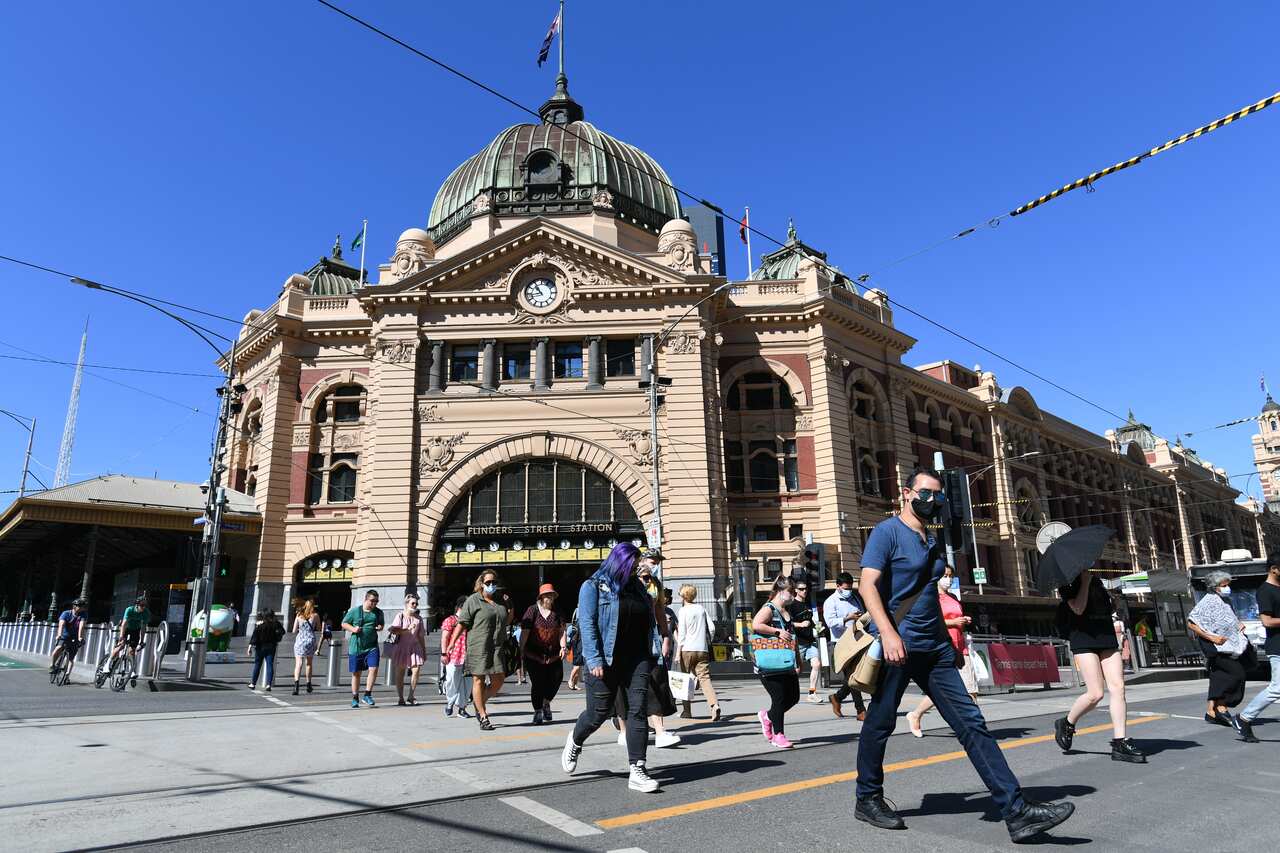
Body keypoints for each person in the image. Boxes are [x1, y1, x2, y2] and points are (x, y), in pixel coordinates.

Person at [854, 467, 1074, 842]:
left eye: (938, 495)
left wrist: (950, 645)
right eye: (925, 493)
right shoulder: (886, 532)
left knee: (972, 724)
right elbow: (867, 586)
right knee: (880, 722)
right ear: (906, 494)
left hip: (935, 649)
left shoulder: (932, 540)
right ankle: (867, 798)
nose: (932, 500)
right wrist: (889, 633)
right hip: (899, 646)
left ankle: (1016, 812)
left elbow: (929, 598)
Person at [561, 542, 663, 793]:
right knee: (598, 714)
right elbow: (587, 623)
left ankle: (637, 769)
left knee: (638, 711)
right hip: (605, 660)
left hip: (637, 659)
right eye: (632, 566)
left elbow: (649, 621)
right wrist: (593, 659)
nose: (635, 571)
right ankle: (575, 740)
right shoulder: (593, 586)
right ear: (619, 562)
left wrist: (656, 651)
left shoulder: (638, 587)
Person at [905, 570, 986, 738]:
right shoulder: (931, 597)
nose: (948, 579)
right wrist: (953, 622)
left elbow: (957, 619)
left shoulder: (953, 598)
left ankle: (974, 727)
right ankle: (917, 714)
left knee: (970, 690)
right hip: (943, 646)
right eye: (945, 576)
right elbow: (932, 620)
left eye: (950, 576)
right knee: (944, 689)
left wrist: (964, 620)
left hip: (960, 646)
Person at [1186, 570, 1250, 735]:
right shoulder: (1207, 602)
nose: (1227, 588)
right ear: (1215, 587)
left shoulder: (1224, 600)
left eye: (1227, 584)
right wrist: (1211, 637)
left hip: (1228, 645)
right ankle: (1221, 707)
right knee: (1236, 674)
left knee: (1218, 676)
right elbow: (1192, 622)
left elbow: (1228, 619)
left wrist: (1238, 625)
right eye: (1224, 585)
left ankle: (1211, 712)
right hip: (1215, 646)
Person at [450, 569, 510, 731]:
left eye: (494, 583)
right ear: (481, 584)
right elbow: (462, 622)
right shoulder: (473, 600)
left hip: (497, 646)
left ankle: (479, 703)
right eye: (488, 583)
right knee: (479, 680)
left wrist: (509, 605)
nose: (491, 585)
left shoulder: (500, 601)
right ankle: (483, 716)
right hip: (479, 646)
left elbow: (508, 619)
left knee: (499, 680)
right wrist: (452, 642)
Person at [753, 575, 801, 749]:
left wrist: (798, 660)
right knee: (779, 698)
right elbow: (756, 624)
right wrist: (777, 631)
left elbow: (792, 638)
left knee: (794, 697)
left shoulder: (786, 612)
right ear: (780, 592)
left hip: (787, 661)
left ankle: (767, 717)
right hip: (769, 663)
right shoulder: (769, 608)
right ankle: (778, 735)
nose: (793, 595)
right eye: (791, 591)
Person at [1237, 555, 1280, 742]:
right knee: (1277, 689)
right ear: (1274, 569)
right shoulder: (1265, 591)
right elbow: (1267, 621)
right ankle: (1244, 718)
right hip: (1277, 646)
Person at [823, 571, 867, 720]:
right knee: (852, 675)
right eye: (846, 588)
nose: (849, 591)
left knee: (856, 675)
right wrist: (847, 618)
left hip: (856, 640)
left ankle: (837, 697)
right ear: (838, 586)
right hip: (840, 642)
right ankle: (860, 710)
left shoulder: (855, 598)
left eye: (850, 588)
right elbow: (830, 622)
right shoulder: (831, 601)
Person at [521, 583, 567, 724]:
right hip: (534, 654)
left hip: (553, 654)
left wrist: (563, 646)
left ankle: (546, 702)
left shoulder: (558, 611)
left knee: (557, 678)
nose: (550, 598)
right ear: (541, 597)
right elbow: (525, 632)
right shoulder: (532, 610)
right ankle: (538, 711)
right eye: (547, 595)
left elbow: (562, 631)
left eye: (552, 595)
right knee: (538, 683)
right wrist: (521, 649)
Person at [675, 583, 720, 721]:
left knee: (684, 680)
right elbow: (711, 628)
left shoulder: (683, 611)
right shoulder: (701, 608)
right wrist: (707, 641)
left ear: (683, 596)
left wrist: (678, 652)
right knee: (705, 679)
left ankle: (687, 711)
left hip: (687, 649)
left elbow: (682, 634)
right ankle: (714, 705)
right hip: (702, 649)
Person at [342, 590, 385, 708]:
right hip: (356, 647)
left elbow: (381, 624)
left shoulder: (378, 613)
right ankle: (355, 697)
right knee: (356, 673)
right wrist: (353, 629)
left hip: (372, 646)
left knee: (374, 668)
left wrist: (380, 627)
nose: (374, 604)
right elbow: (344, 623)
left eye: (376, 601)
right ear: (366, 599)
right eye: (372, 601)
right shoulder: (355, 611)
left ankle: (367, 694)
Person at [389, 593, 428, 706]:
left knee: (416, 671)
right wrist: (407, 629)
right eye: (413, 603)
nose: (415, 605)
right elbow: (393, 630)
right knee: (400, 673)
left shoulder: (418, 618)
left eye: (416, 603)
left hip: (415, 647)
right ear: (407, 604)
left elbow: (421, 636)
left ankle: (411, 696)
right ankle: (401, 697)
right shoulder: (400, 616)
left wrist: (424, 651)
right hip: (401, 646)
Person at [789, 577, 823, 704]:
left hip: (810, 641)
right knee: (796, 671)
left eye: (805, 589)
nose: (804, 591)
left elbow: (812, 622)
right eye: (801, 589)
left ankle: (812, 693)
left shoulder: (808, 605)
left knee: (816, 664)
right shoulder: (791, 606)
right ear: (796, 590)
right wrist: (800, 624)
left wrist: (817, 627)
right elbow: (787, 623)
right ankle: (788, 691)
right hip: (798, 643)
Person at [104, 595, 149, 681]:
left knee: (132, 651)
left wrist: (142, 640)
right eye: (142, 605)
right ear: (137, 604)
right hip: (126, 628)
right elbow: (124, 624)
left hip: (135, 630)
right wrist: (121, 636)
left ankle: (132, 671)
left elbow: (143, 628)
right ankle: (107, 664)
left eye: (145, 605)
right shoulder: (129, 610)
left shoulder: (146, 613)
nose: (144, 607)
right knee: (120, 646)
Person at [440, 595, 471, 718]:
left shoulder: (471, 621)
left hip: (468, 656)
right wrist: (444, 653)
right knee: (452, 680)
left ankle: (462, 708)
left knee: (467, 683)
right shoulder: (451, 620)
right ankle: (450, 702)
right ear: (461, 607)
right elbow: (445, 637)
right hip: (454, 655)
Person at [248, 610, 285, 691]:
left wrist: (250, 647)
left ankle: (253, 683)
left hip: (260, 647)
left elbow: (255, 636)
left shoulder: (260, 625)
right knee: (270, 665)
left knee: (257, 665)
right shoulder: (276, 624)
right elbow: (283, 632)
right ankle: (268, 684)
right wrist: (277, 638)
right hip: (271, 646)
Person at [291, 598, 322, 695]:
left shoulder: (299, 615)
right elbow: (319, 628)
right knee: (308, 663)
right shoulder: (315, 616)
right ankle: (308, 684)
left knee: (298, 663)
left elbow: (294, 630)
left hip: (300, 640)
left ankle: (296, 686)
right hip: (310, 640)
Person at [50, 598, 87, 674]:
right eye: (80, 606)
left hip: (75, 637)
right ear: (74, 606)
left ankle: (67, 676)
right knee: (59, 648)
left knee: (71, 658)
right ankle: (52, 665)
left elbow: (81, 626)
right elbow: (61, 625)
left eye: (83, 606)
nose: (82, 608)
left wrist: (80, 637)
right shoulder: (66, 613)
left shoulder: (83, 614)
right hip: (64, 636)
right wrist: (59, 635)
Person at [566, 606, 583, 691]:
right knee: (577, 666)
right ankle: (570, 680)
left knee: (578, 667)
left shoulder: (575, 627)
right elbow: (568, 638)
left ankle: (574, 684)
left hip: (578, 647)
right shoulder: (575, 627)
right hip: (576, 648)